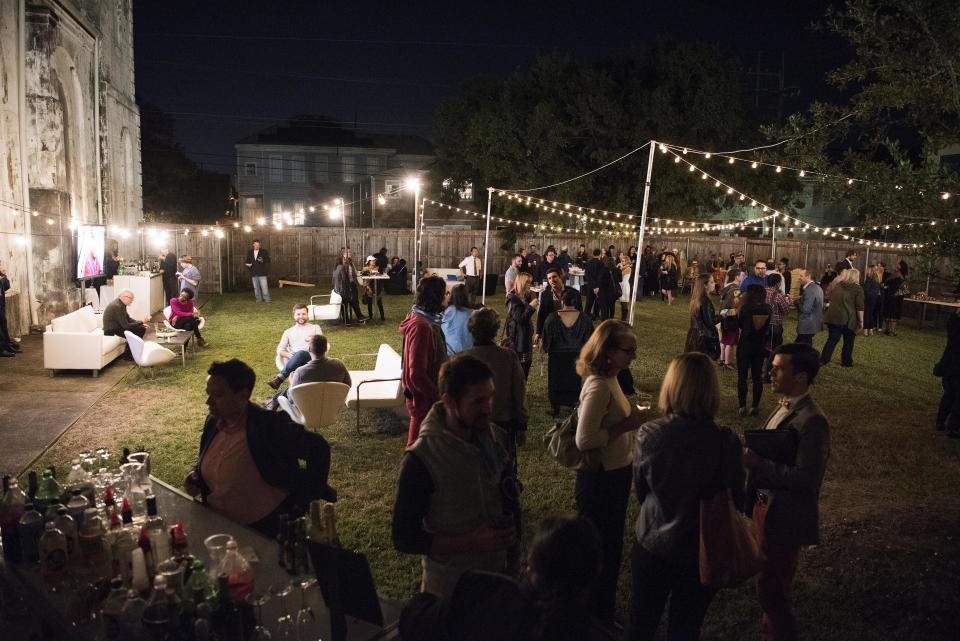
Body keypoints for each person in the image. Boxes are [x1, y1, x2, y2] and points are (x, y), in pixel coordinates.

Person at [626, 352, 745, 641]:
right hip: (702, 547)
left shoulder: (650, 434)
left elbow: (643, 491)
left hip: (654, 543)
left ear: (672, 386)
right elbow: (736, 498)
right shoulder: (726, 441)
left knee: (641, 622)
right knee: (686, 627)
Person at [391, 355, 516, 598]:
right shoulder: (422, 458)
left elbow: (509, 499)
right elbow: (404, 538)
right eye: (478, 401)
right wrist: (472, 542)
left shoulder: (496, 439)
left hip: (499, 583)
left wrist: (513, 560)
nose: (489, 408)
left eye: (490, 396)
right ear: (448, 401)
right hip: (450, 592)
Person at [184, 359, 336, 538]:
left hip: (264, 528)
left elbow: (319, 449)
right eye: (207, 394)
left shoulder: (268, 426)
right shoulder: (213, 422)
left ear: (242, 395)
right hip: (218, 525)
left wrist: (306, 496)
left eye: (217, 395)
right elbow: (210, 460)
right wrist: (197, 476)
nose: (208, 402)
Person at [398, 515, 609, 641]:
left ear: (531, 558)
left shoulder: (479, 595)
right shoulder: (594, 634)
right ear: (594, 576)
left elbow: (412, 621)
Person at [742, 343, 830, 641]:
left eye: (779, 368)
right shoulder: (784, 405)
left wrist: (758, 463)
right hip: (765, 509)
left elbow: (806, 478)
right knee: (766, 585)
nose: (770, 373)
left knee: (774, 589)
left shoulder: (813, 420)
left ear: (802, 377)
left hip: (785, 516)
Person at [574, 320, 647, 624]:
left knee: (610, 549)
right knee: (600, 552)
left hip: (615, 473)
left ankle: (601, 613)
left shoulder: (612, 378)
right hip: (600, 480)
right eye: (628, 350)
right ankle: (594, 617)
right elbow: (584, 439)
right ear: (608, 351)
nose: (633, 356)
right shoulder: (599, 385)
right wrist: (627, 425)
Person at [462, 308, 528, 446]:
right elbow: (519, 392)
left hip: (470, 423)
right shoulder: (508, 357)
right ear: (495, 329)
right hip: (502, 424)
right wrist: (521, 424)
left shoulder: (461, 359)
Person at [400, 274, 448, 446]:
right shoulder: (421, 326)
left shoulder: (424, 320)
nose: (447, 297)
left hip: (425, 398)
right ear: (436, 297)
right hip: (424, 400)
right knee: (417, 447)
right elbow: (416, 374)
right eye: (445, 293)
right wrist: (437, 396)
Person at [266, 333, 351, 411]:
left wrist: (291, 380)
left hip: (308, 406)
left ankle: (273, 401)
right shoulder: (339, 364)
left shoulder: (300, 372)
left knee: (295, 385)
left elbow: (292, 397)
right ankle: (273, 401)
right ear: (325, 349)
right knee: (302, 354)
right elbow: (348, 384)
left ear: (309, 348)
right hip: (331, 406)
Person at [542, 289, 594, 416]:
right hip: (576, 355)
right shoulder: (585, 318)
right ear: (576, 301)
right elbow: (590, 339)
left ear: (562, 301)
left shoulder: (552, 318)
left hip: (557, 356)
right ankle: (573, 405)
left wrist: (545, 349)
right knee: (574, 380)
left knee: (555, 380)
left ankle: (556, 408)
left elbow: (546, 341)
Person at [267, 304, 323, 390]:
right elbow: (280, 349)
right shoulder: (288, 332)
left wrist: (313, 338)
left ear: (307, 315)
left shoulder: (315, 328)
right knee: (298, 357)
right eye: (298, 314)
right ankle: (275, 401)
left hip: (311, 357)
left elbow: (322, 343)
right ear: (294, 315)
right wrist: (289, 355)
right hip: (294, 360)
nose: (301, 316)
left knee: (301, 354)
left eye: (304, 314)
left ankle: (280, 378)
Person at [737, 284, 772, 416]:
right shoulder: (768, 308)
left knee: (742, 376)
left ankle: (742, 405)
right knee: (757, 377)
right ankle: (755, 406)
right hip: (760, 345)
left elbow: (740, 324)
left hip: (745, 344)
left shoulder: (745, 308)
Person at [820, 267, 864, 367]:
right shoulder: (858, 289)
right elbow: (860, 307)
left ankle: (824, 359)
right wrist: (861, 321)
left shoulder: (838, 285)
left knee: (832, 339)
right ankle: (846, 361)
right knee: (848, 341)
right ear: (857, 277)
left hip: (834, 317)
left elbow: (829, 295)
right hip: (848, 319)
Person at [504, 272, 539, 379]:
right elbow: (521, 319)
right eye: (528, 282)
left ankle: (520, 391)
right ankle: (518, 392)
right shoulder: (514, 300)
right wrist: (531, 307)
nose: (530, 285)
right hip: (517, 341)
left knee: (525, 365)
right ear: (521, 283)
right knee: (520, 368)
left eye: (531, 282)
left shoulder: (522, 298)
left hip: (523, 338)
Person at [935, 308, 960, 438]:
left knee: (949, 394)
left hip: (950, 360)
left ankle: (940, 422)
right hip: (955, 361)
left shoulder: (954, 317)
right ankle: (954, 427)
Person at [535, 267, 581, 339]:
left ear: (560, 276)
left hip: (570, 329)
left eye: (554, 277)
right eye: (549, 278)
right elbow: (541, 314)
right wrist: (538, 332)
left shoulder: (574, 292)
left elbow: (579, 312)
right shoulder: (545, 294)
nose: (552, 280)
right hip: (553, 331)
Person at [684, 273, 719, 360]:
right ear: (705, 285)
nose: (714, 284)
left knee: (694, 362)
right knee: (702, 364)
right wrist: (722, 316)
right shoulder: (705, 301)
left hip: (694, 335)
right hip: (703, 337)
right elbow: (710, 322)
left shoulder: (697, 298)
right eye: (711, 282)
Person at [763, 273, 791, 381]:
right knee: (773, 350)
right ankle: (767, 375)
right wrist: (788, 302)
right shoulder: (778, 295)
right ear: (778, 283)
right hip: (774, 325)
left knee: (763, 348)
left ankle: (759, 372)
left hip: (762, 324)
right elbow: (786, 310)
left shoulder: (762, 292)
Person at [718, 269, 743, 369]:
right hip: (731, 317)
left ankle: (722, 359)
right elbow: (736, 305)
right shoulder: (736, 289)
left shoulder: (726, 286)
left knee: (723, 339)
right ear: (737, 277)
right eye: (741, 275)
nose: (742, 277)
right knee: (730, 341)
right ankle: (727, 363)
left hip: (722, 315)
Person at [333, 248, 365, 324]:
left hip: (351, 283)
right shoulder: (340, 265)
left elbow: (354, 273)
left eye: (350, 251)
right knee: (345, 302)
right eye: (348, 252)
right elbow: (342, 279)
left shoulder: (350, 262)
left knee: (355, 301)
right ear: (343, 254)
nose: (350, 253)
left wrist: (358, 272)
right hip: (344, 286)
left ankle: (359, 316)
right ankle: (346, 319)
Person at [442, 284, 474, 356]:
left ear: (452, 295)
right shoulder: (473, 314)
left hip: (449, 353)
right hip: (468, 353)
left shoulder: (446, 312)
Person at [795, 268, 824, 345]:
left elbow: (805, 310)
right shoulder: (817, 287)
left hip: (807, 325)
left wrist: (796, 302)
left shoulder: (810, 290)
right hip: (813, 324)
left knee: (802, 349)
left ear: (808, 276)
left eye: (801, 276)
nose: (799, 278)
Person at [0, 261, 18, 357]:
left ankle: (7, 345)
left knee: (4, 326)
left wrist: (4, 275)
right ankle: (1, 349)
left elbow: (7, 286)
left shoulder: (1, 276)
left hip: (1, 305)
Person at [882, 265, 906, 336]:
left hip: (891, 298)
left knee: (889, 314)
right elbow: (903, 290)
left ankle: (888, 330)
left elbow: (886, 286)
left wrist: (885, 287)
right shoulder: (901, 278)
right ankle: (892, 331)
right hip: (896, 299)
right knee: (893, 315)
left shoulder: (891, 278)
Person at [361, 255, 385, 322]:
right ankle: (371, 316)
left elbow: (381, 277)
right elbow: (364, 281)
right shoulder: (365, 269)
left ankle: (382, 316)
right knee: (369, 302)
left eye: (374, 260)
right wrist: (368, 288)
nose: (374, 261)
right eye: (372, 260)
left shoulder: (377, 268)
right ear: (369, 261)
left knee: (379, 302)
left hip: (377, 287)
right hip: (369, 287)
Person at [862, 265, 883, 335]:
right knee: (870, 314)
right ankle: (870, 330)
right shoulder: (877, 279)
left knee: (867, 314)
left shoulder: (869, 279)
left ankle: (865, 330)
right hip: (874, 298)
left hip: (868, 298)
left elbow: (867, 290)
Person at [597, 254, 620, 320]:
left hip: (605, 290)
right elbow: (620, 279)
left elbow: (600, 279)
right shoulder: (617, 270)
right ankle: (611, 318)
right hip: (613, 290)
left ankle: (605, 318)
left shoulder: (603, 269)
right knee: (612, 305)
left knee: (605, 305)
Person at [584, 249, 603, 318]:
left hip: (590, 284)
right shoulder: (601, 263)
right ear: (600, 255)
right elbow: (600, 276)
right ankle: (596, 314)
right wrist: (597, 286)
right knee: (597, 301)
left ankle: (586, 313)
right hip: (597, 285)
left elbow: (586, 275)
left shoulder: (588, 262)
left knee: (589, 300)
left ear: (593, 254)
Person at [619, 255, 633, 321]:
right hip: (621, 285)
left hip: (625, 286)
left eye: (623, 261)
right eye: (621, 261)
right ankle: (622, 317)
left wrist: (620, 267)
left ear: (627, 261)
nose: (622, 262)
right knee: (622, 302)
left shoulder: (628, 268)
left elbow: (620, 274)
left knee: (624, 302)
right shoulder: (624, 267)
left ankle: (624, 318)